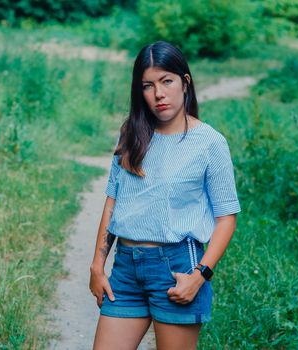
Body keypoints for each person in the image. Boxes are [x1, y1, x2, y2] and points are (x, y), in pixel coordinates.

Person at [89, 41, 241, 350]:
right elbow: (112, 202)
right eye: (148, 85)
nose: (158, 93)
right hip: (126, 269)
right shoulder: (132, 134)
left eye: (166, 81)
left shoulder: (209, 143)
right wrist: (96, 265)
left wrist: (201, 275)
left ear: (185, 83)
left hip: (177, 269)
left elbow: (226, 219)